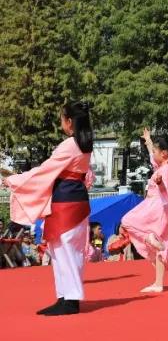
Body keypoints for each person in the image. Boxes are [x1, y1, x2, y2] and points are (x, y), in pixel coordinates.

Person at [2, 101, 95, 315]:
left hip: (65, 202)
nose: (61, 122)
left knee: (63, 249)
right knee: (67, 249)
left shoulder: (70, 145)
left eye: (62, 119)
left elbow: (44, 171)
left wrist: (14, 180)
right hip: (76, 198)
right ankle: (66, 297)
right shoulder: (85, 144)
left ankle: (69, 300)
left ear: (69, 122)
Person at [115, 128, 168, 293]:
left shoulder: (166, 169)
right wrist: (148, 141)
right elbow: (152, 157)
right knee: (158, 246)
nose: (153, 154)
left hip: (157, 206)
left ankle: (149, 237)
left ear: (164, 153)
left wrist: (160, 183)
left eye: (156, 151)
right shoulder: (162, 166)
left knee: (127, 221)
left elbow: (165, 191)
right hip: (158, 207)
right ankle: (158, 283)